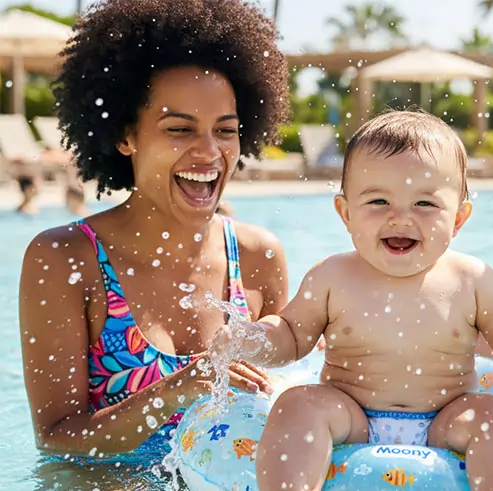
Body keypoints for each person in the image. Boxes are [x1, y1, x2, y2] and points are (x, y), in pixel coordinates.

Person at [211, 110, 493, 491]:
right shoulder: (332, 276)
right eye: (377, 202)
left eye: (426, 204)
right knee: (299, 403)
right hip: (350, 416)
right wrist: (253, 338)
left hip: (447, 420)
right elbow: (291, 336)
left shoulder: (471, 278)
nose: (401, 218)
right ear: (345, 213)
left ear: (459, 217)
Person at [19, 0, 290, 459]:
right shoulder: (65, 258)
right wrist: (173, 392)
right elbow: (56, 439)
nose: (209, 152)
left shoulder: (258, 255)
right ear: (125, 136)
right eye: (180, 129)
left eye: (225, 130)